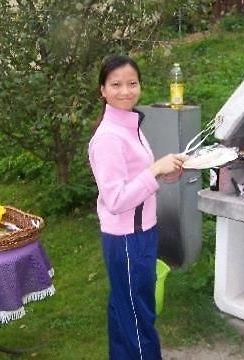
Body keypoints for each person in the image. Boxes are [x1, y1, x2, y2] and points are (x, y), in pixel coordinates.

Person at [88, 54, 187, 360]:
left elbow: (138, 179)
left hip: (140, 234)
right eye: (116, 84)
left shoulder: (130, 124)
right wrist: (154, 170)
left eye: (132, 83)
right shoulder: (107, 138)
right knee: (138, 319)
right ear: (103, 90)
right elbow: (116, 200)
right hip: (128, 240)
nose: (125, 91)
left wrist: (165, 173)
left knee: (123, 312)